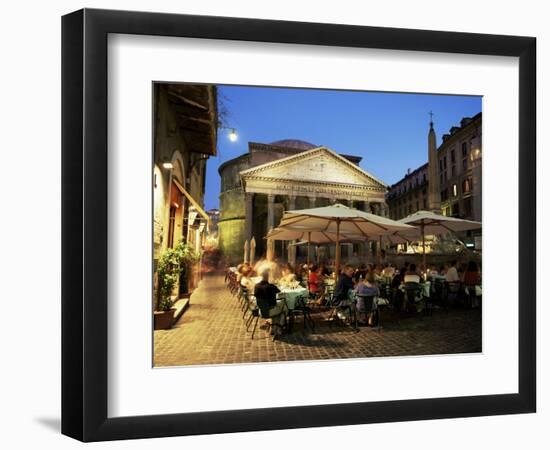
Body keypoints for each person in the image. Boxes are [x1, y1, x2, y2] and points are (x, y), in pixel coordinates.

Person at [254, 270, 288, 337]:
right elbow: (279, 291)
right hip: (269, 311)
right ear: (268, 277)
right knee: (284, 308)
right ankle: (279, 328)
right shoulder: (270, 286)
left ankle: (273, 328)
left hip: (260, 310)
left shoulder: (256, 286)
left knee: (277, 307)